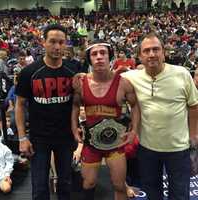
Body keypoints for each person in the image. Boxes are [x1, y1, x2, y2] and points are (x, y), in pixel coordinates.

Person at [122, 31, 198, 200]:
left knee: (180, 195)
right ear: (140, 56)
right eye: (146, 51)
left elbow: (194, 106)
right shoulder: (131, 77)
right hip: (147, 149)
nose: (151, 54)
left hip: (178, 149)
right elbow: (105, 79)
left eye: (156, 49)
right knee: (153, 193)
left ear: (164, 52)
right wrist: (82, 76)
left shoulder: (182, 74)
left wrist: (193, 136)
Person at [71, 40, 140, 200]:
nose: (99, 57)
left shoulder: (123, 83)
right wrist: (75, 129)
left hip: (115, 144)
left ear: (110, 57)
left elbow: (135, 106)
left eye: (103, 53)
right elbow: (75, 107)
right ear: (89, 59)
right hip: (91, 144)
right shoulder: (81, 83)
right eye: (94, 54)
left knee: (119, 185)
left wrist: (134, 131)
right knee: (88, 184)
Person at [15, 24, 76, 200]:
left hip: (65, 137)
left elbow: (78, 102)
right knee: (40, 187)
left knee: (65, 184)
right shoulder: (29, 72)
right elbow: (19, 104)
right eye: (52, 42)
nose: (57, 47)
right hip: (38, 138)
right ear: (44, 43)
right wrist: (22, 137)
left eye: (61, 42)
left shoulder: (74, 70)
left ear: (66, 44)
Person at [0, 127, 14, 193]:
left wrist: (7, 174)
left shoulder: (4, 148)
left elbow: (9, 162)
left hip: (0, 175)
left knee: (6, 188)